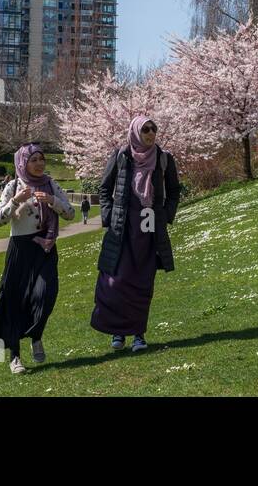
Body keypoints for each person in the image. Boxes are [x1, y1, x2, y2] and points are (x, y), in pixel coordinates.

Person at [91, 116, 180, 353]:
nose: (151, 133)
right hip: (123, 228)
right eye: (145, 129)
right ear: (135, 132)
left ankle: (138, 334)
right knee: (117, 281)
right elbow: (104, 188)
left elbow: (174, 191)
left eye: (153, 129)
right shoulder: (121, 156)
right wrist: (109, 216)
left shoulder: (163, 158)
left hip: (149, 229)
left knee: (143, 282)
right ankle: (119, 331)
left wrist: (166, 214)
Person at [0, 143, 74, 374]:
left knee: (46, 293)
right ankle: (15, 357)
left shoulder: (50, 184)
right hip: (20, 250)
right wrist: (15, 200)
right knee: (15, 303)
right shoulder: (12, 186)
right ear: (22, 163)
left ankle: (36, 335)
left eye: (41, 159)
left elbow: (70, 213)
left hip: (44, 248)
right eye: (33, 160)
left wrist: (53, 202)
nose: (39, 164)